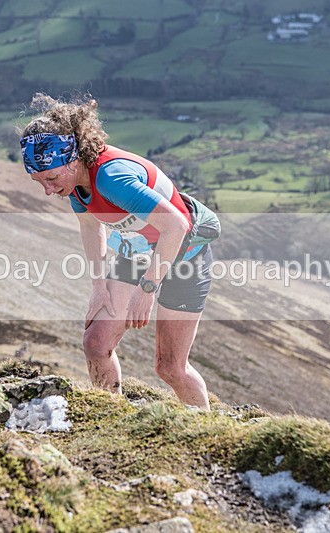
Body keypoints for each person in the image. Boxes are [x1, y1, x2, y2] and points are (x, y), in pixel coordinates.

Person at [19, 93, 219, 410]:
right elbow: (91, 227)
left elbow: (176, 226)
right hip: (138, 252)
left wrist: (148, 287)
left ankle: (207, 431)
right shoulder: (74, 185)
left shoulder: (113, 178)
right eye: (38, 181)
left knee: (170, 368)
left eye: (51, 178)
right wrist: (99, 287)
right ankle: (109, 413)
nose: (48, 190)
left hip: (184, 256)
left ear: (72, 160)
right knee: (96, 344)